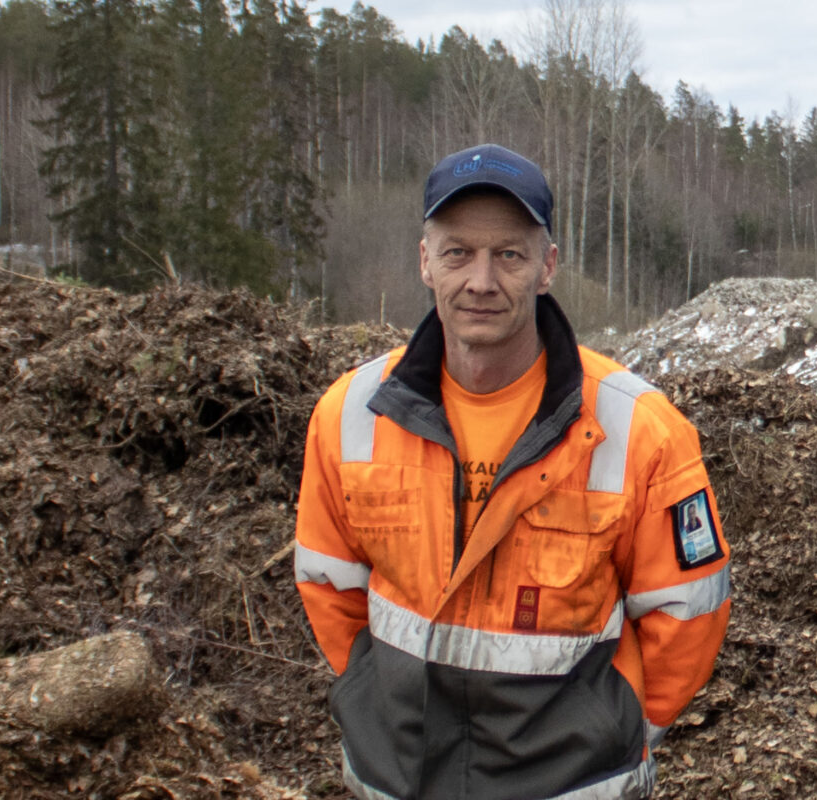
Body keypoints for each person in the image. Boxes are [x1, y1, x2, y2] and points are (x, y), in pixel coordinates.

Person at [294, 143, 730, 800]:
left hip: (571, 783)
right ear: (424, 261)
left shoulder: (638, 427)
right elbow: (329, 583)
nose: (481, 280)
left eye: (509, 254)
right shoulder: (351, 413)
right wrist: (369, 698)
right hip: (396, 777)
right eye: (457, 252)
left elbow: (688, 612)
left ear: (547, 265)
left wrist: (612, 726)